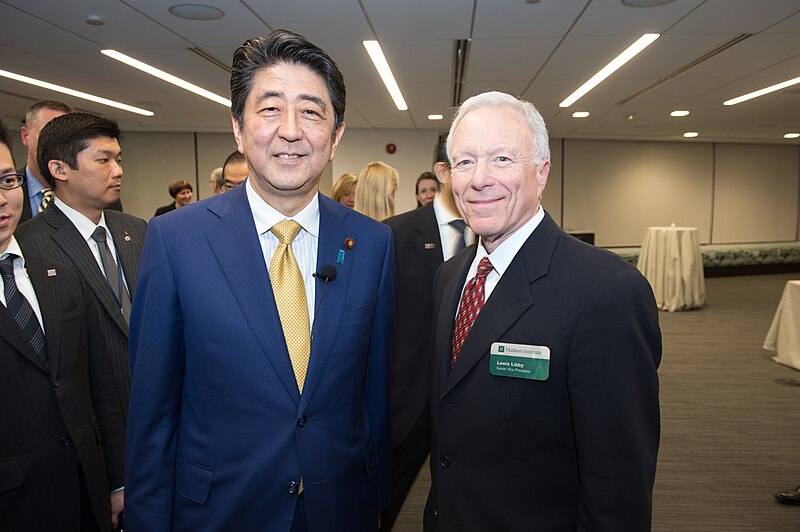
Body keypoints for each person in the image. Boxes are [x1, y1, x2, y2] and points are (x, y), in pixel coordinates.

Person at [125, 29, 395, 531]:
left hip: (340, 509)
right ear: (238, 126)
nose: (290, 130)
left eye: (311, 112)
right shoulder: (174, 239)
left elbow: (373, 393)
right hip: (219, 511)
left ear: (335, 136)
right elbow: (151, 415)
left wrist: (376, 499)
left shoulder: (372, 243)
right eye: (270, 108)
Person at [425, 91, 661, 531]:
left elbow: (617, 482)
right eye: (464, 161)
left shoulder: (606, 291)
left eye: (501, 159)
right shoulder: (450, 276)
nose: (478, 179)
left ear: (543, 172)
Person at [0, 119, 126, 530]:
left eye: (6, 181)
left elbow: (94, 384)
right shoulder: (39, 240)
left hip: (84, 487)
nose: (2, 198)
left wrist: (114, 480)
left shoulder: (54, 276)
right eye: (103, 159)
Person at [16, 112, 148, 417]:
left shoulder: (137, 229)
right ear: (59, 169)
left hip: (153, 405)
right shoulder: (29, 245)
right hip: (88, 417)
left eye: (118, 159)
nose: (118, 171)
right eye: (104, 160)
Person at [381, 139, 471, 531]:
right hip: (406, 406)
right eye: (466, 162)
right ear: (442, 172)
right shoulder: (391, 237)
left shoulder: (500, 236)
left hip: (475, 408)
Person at [18, 99, 73, 221]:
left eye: (65, 136)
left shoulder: (95, 194)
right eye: (47, 134)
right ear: (25, 136)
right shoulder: (6, 191)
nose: (57, 143)